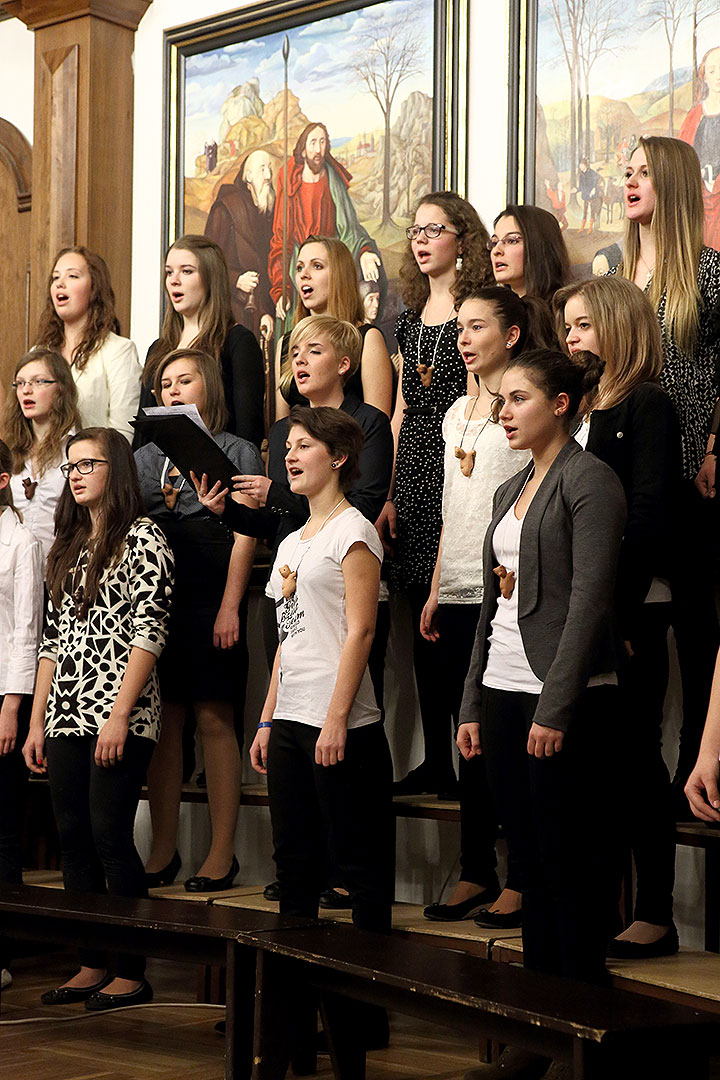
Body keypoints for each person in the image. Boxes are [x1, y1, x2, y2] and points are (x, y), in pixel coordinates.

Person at [458, 348, 626, 994]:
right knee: (525, 865)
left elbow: (589, 601)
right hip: (504, 691)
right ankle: (539, 1031)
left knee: (570, 869)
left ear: (561, 405)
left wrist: (555, 708)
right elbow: (491, 606)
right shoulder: (510, 487)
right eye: (501, 400)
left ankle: (578, 1026)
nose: (504, 411)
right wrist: (471, 701)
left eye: (518, 398)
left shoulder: (590, 480)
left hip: (566, 699)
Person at [22, 428, 174, 1010]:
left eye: (90, 463)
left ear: (118, 471)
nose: (77, 473)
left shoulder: (145, 538)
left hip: (121, 713)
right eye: (71, 465)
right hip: (65, 712)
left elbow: (149, 633)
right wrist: (38, 721)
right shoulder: (68, 543)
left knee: (110, 833)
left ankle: (131, 972)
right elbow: (51, 643)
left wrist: (117, 715)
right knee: (73, 837)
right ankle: (91, 962)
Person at [556, 276, 682, 959]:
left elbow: (647, 516)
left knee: (636, 759)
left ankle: (656, 912)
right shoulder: (577, 408)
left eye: (580, 325)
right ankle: (601, 906)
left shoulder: (648, 404)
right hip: (580, 612)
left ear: (617, 324)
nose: (569, 338)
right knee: (593, 765)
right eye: (566, 326)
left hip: (631, 608)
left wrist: (622, 617)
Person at [420, 287, 551, 928]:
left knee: (500, 742)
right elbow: (453, 507)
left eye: (478, 327)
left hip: (505, 591)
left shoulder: (522, 409)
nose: (465, 337)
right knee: (464, 735)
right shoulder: (453, 412)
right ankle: (476, 869)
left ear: (513, 335)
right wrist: (437, 583)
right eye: (461, 327)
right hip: (457, 585)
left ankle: (521, 878)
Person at [250, 402, 393, 960]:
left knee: (357, 862)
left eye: (304, 445)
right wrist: (267, 716)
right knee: (294, 861)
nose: (290, 454)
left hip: (341, 723)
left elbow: (361, 632)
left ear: (338, 457)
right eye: (287, 446)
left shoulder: (354, 531)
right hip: (290, 718)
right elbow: (287, 639)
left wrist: (335, 718)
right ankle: (294, 1001)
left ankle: (362, 1008)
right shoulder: (291, 541)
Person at [610, 134, 720, 809]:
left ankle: (695, 765)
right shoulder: (620, 277)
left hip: (688, 474)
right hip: (625, 479)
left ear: (672, 183)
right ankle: (638, 776)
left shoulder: (708, 272)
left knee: (698, 625)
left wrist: (716, 444)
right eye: (627, 172)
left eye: (645, 172)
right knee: (636, 631)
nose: (631, 182)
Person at [377, 190, 493, 797]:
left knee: (453, 614)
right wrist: (390, 490)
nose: (421, 240)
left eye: (434, 230)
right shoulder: (407, 317)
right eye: (415, 231)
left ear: (462, 240)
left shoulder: (472, 314)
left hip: (458, 466)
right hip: (414, 475)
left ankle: (465, 752)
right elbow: (399, 411)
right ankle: (435, 757)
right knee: (417, 618)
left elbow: (479, 404)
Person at [135, 348, 263, 891]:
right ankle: (162, 850)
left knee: (214, 715)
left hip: (213, 590)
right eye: (165, 384)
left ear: (208, 385)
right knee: (165, 722)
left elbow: (246, 530)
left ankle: (220, 853)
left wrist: (231, 605)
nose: (174, 390)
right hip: (160, 592)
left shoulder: (233, 449)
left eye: (185, 380)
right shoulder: (143, 456)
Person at [133, 234, 265, 451]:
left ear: (210, 278)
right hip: (160, 474)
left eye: (186, 271)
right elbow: (144, 432)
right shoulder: (158, 349)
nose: (174, 280)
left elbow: (248, 433)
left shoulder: (237, 342)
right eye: (169, 272)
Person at [0, 438, 43, 983]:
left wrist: (12, 705)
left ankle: (3, 950)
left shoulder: (21, 541)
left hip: (4, 694)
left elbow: (27, 630)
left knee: (3, 827)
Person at [269, 123, 383, 322]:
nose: (318, 149)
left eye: (322, 142)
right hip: (300, 269)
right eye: (313, 142)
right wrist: (281, 288)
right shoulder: (291, 184)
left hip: (331, 267)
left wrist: (364, 251)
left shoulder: (333, 181)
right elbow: (281, 239)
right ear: (303, 150)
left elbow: (350, 228)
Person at [274, 236, 393, 419]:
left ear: (340, 274)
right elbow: (280, 429)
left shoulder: (367, 338)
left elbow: (378, 427)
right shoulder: (286, 344)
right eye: (299, 267)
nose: (304, 274)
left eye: (317, 266)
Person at [34, 247, 142, 442]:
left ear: (94, 289)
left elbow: (122, 435)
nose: (60, 284)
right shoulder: (40, 353)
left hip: (93, 467)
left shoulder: (118, 350)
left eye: (72, 276)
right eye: (55, 278)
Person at [2, 350, 80, 564]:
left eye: (38, 381)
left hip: (60, 570)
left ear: (61, 388)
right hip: (12, 572)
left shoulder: (76, 448)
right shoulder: (8, 450)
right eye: (20, 383)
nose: (26, 390)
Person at [204, 148, 276, 339]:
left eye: (270, 168)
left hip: (260, 309)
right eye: (262, 169)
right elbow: (208, 263)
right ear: (248, 176)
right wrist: (236, 280)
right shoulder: (226, 210)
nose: (268, 175)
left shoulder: (268, 211)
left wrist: (264, 311)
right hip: (233, 310)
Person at [679, 45, 720, 249]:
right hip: (700, 198)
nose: (718, 76)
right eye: (712, 71)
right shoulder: (694, 116)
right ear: (704, 76)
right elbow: (681, 158)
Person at [489, 204, 570, 303]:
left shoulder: (565, 310)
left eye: (511, 240)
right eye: (494, 242)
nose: (496, 251)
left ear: (539, 246)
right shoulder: (492, 310)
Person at [576, 159, 603, 234]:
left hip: (592, 195)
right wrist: (576, 190)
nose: (580, 167)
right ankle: (582, 227)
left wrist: (594, 188)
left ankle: (590, 227)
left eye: (581, 165)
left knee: (592, 212)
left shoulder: (592, 173)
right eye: (579, 165)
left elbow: (597, 179)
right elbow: (581, 187)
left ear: (585, 165)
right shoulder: (581, 175)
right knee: (585, 211)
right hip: (585, 195)